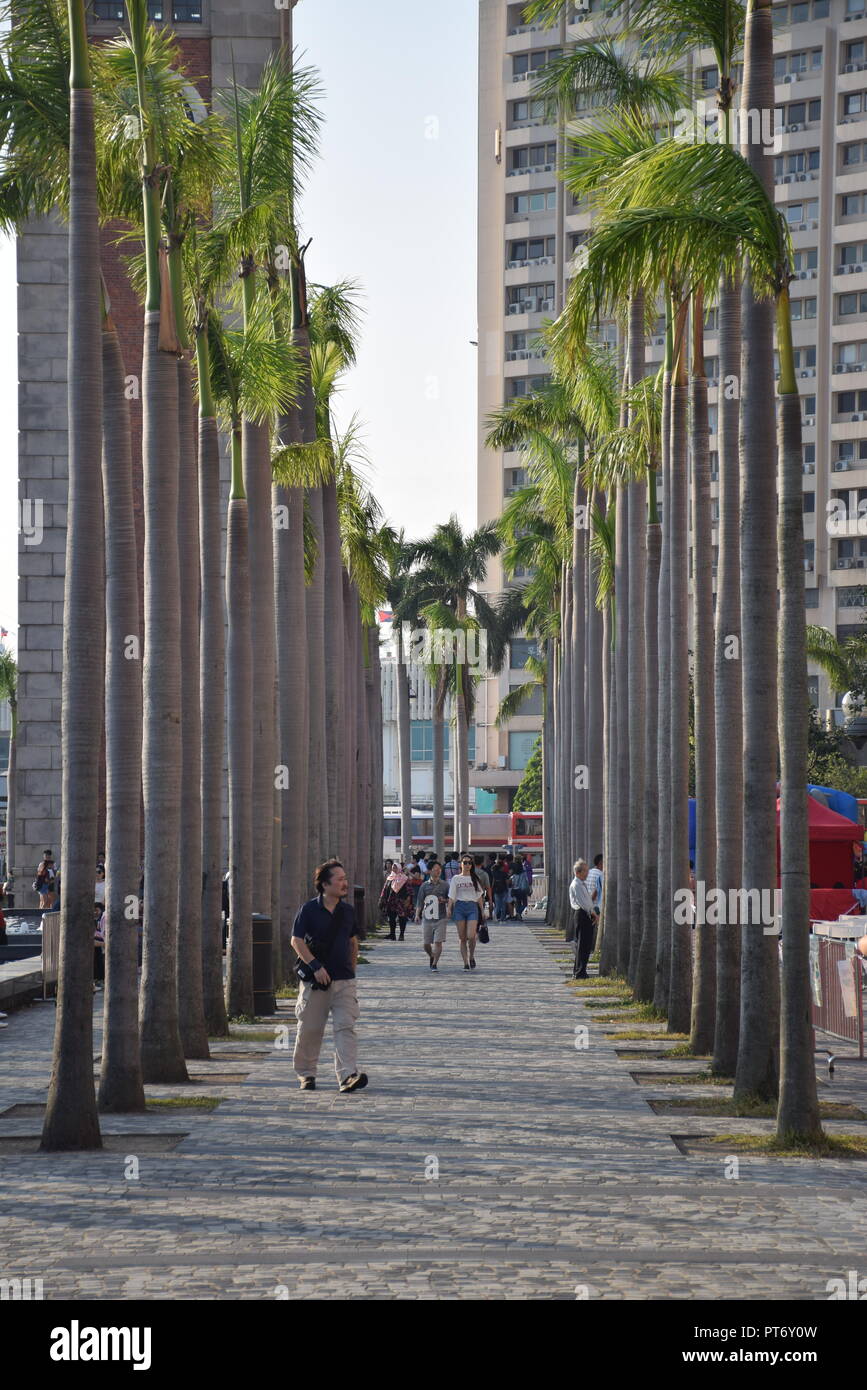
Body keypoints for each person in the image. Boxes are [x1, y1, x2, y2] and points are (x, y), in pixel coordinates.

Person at [291, 859, 367, 1094]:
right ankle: (306, 1074)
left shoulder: (348, 911)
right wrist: (315, 966)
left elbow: (352, 941)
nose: (345, 884)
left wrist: (351, 971)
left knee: (346, 1027)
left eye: (345, 878)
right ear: (325, 885)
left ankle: (347, 1076)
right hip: (316, 983)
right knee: (310, 1029)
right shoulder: (309, 909)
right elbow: (296, 940)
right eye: (340, 879)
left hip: (345, 981)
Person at [447, 854, 485, 971]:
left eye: (469, 863)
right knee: (462, 937)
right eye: (465, 862)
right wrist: (449, 908)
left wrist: (483, 911)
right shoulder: (456, 879)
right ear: (461, 864)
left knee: (471, 935)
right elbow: (452, 896)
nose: (467, 865)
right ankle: (465, 962)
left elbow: (479, 897)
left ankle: (472, 956)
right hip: (459, 907)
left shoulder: (475, 878)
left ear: (472, 865)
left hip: (472, 907)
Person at [415, 860, 449, 970]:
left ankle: (434, 964)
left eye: (439, 869)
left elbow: (450, 900)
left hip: (441, 917)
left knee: (438, 942)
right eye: (435, 869)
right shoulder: (424, 886)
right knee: (426, 944)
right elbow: (419, 902)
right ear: (430, 871)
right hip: (427, 918)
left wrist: (444, 900)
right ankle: (431, 955)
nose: (438, 871)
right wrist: (417, 915)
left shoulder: (445, 885)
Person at [569, 859, 600, 979]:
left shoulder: (581, 884)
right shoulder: (577, 884)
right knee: (583, 945)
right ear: (578, 872)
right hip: (582, 914)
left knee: (585, 945)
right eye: (585, 871)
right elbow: (584, 903)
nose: (587, 873)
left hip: (585, 914)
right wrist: (593, 914)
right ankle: (580, 972)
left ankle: (579, 970)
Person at [379, 861, 413, 940]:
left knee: (402, 918)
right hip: (391, 901)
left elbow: (409, 891)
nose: (394, 869)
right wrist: (382, 898)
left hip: (401, 902)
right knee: (391, 918)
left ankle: (401, 935)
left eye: (395, 867)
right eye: (393, 868)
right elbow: (385, 889)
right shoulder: (390, 878)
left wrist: (408, 900)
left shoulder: (404, 878)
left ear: (399, 868)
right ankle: (392, 934)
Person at [490, 856, 512, 922]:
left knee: (497, 905)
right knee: (503, 905)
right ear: (501, 867)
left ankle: (494, 917)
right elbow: (507, 881)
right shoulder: (504, 873)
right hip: (503, 890)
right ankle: (502, 918)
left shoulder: (493, 873)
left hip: (496, 890)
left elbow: (492, 882)